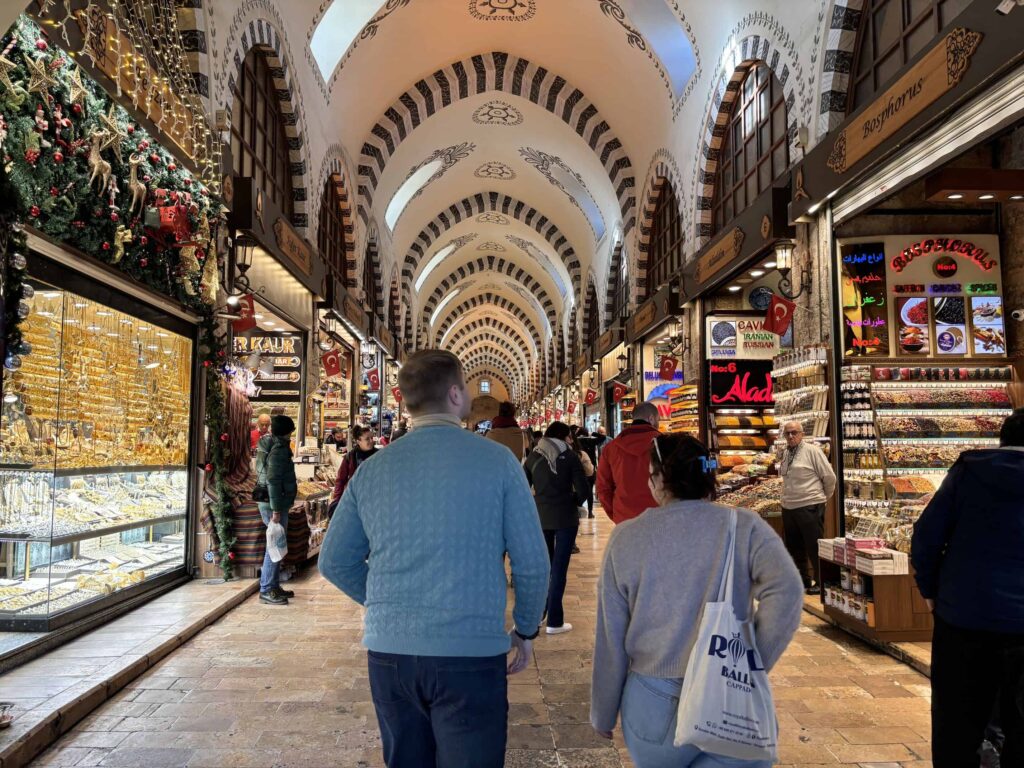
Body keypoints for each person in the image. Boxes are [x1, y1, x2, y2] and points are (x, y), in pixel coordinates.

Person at [319, 350, 550, 768]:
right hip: (471, 653)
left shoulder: (372, 469)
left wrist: (387, 603)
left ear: (405, 401)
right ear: (457, 394)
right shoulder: (499, 463)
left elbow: (334, 562)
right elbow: (532, 562)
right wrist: (526, 630)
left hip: (390, 655)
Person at [591, 434, 804, 766]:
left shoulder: (626, 538)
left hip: (653, 702)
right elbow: (788, 591)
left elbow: (611, 637)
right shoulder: (744, 527)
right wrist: (751, 662)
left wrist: (603, 713)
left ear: (661, 478)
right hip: (730, 698)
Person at [911, 409, 1024, 768]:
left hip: (963, 619)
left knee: (956, 728)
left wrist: (931, 593)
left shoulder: (969, 471)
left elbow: (927, 538)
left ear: (1002, 439)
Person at [524, 421, 589, 635]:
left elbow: (524, 486)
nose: (571, 440)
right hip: (565, 518)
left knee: (545, 568)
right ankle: (555, 620)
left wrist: (538, 500)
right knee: (559, 568)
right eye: (569, 436)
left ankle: (539, 615)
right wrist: (574, 501)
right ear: (562, 437)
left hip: (541, 517)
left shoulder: (534, 456)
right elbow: (583, 488)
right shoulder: (570, 457)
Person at [777, 420, 836, 593]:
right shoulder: (786, 453)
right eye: (787, 433)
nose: (790, 436)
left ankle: (820, 582)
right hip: (789, 506)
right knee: (794, 547)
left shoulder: (813, 451)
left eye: (794, 432)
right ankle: (802, 581)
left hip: (809, 505)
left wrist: (822, 498)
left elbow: (829, 477)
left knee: (814, 546)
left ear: (802, 434)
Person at [255, 415, 298, 606]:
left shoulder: (268, 443)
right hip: (274, 503)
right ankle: (266, 589)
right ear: (288, 431)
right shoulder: (279, 450)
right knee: (273, 545)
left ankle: (273, 584)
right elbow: (273, 480)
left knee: (276, 544)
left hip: (271, 501)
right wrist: (276, 509)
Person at [596, 401, 661, 524]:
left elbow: (603, 487)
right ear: (651, 419)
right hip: (659, 515)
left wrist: (615, 513)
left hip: (624, 516)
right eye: (658, 420)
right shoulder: (665, 445)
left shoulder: (611, 448)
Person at [331, 425, 378, 506]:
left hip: (375, 499)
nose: (371, 441)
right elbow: (341, 480)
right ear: (358, 441)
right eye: (367, 439)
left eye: (372, 438)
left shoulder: (379, 455)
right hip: (355, 500)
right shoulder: (350, 457)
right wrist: (336, 501)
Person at [575, 426, 598, 518]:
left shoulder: (576, 441)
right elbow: (603, 437)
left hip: (579, 471)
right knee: (589, 492)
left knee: (578, 490)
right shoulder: (591, 440)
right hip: (589, 469)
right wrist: (593, 433)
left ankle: (578, 508)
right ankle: (590, 512)